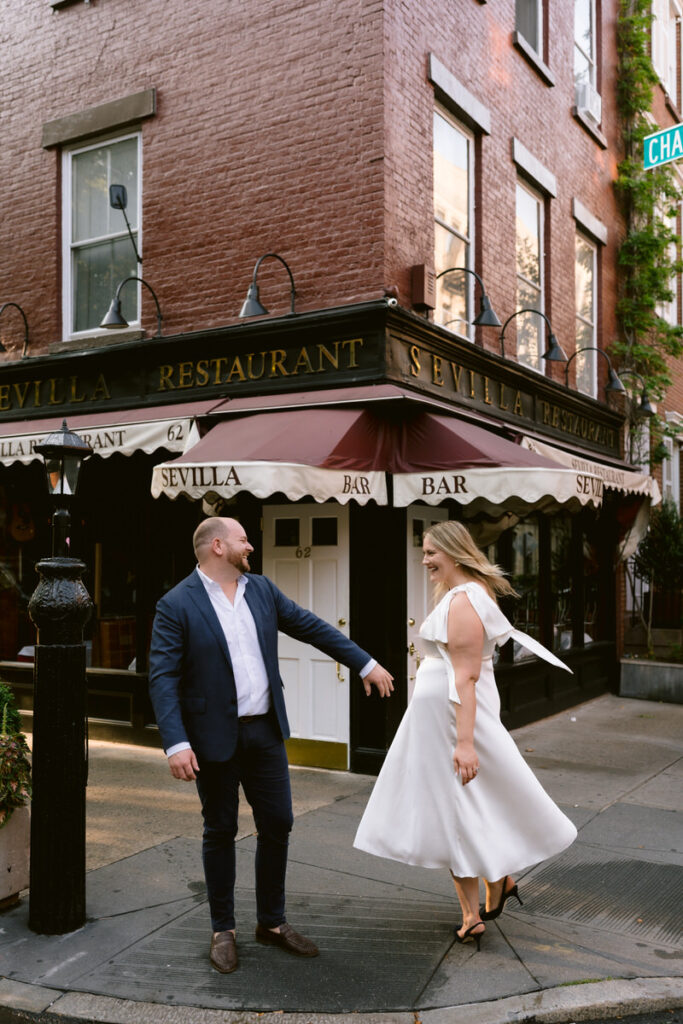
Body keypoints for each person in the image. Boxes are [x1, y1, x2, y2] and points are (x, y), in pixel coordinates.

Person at [149, 516, 393, 975]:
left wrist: (364, 663)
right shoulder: (175, 604)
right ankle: (224, 929)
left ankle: (272, 923)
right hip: (211, 738)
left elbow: (312, 627)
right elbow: (162, 677)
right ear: (217, 546)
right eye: (244, 539)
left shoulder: (261, 590)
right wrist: (175, 741)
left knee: (278, 822)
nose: (251, 547)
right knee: (220, 829)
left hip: (264, 731)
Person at [353, 520, 576, 951]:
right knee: (465, 804)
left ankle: (473, 914)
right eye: (423, 552)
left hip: (451, 723)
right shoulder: (468, 595)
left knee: (453, 809)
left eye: (431, 551)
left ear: (454, 552)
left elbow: (467, 677)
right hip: (442, 721)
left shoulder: (463, 601)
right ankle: (498, 881)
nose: (425, 560)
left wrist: (465, 742)